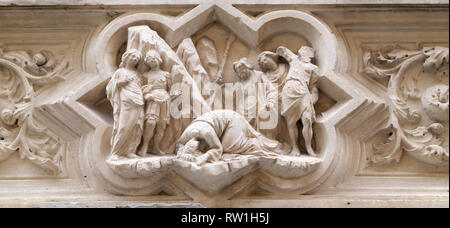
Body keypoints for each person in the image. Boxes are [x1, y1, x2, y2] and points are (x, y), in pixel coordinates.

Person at [176, 110, 285, 166]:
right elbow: (179, 145)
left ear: (199, 145)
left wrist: (205, 157)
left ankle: (271, 146)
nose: (203, 151)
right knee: (228, 147)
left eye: (201, 150)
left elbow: (217, 149)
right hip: (223, 126)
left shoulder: (206, 132)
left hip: (232, 120)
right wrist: (183, 154)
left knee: (229, 147)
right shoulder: (186, 136)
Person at [277, 46, 320, 157]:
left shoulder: (313, 68)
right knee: (291, 123)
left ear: (310, 55)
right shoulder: (294, 60)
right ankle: (295, 147)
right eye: (301, 51)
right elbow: (282, 50)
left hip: (303, 91)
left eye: (305, 51)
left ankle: (308, 146)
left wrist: (312, 99)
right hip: (289, 90)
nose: (302, 52)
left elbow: (313, 86)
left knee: (307, 119)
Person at [137, 50, 182, 156]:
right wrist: (147, 95)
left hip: (165, 100)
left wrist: (175, 93)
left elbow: (170, 89)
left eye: (154, 58)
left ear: (159, 59)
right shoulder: (146, 75)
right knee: (150, 123)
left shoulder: (166, 75)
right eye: (150, 59)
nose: (152, 60)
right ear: (147, 62)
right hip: (153, 100)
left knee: (161, 126)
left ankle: (156, 148)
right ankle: (144, 145)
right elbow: (141, 90)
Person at [106, 49, 144, 158]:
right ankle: (115, 152)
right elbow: (110, 88)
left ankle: (130, 151)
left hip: (138, 101)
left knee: (136, 127)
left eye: (137, 58)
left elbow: (139, 87)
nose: (135, 59)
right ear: (126, 58)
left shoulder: (137, 74)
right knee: (123, 127)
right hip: (126, 101)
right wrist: (119, 83)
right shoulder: (120, 72)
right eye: (133, 56)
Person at [232, 58, 277, 130]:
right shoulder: (238, 85)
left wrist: (270, 102)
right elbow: (232, 102)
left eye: (242, 70)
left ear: (247, 67)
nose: (240, 73)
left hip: (259, 109)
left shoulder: (259, 76)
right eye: (238, 72)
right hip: (243, 114)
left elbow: (271, 90)